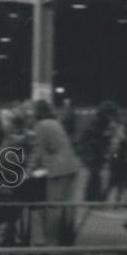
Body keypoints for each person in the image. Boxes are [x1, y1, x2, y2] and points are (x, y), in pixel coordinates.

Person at [28, 100, 82, 246]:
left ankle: (51, 241)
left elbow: (37, 151)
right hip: (71, 166)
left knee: (54, 206)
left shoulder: (41, 125)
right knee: (65, 205)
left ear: (37, 112)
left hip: (58, 169)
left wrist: (28, 171)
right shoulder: (55, 122)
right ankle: (66, 238)